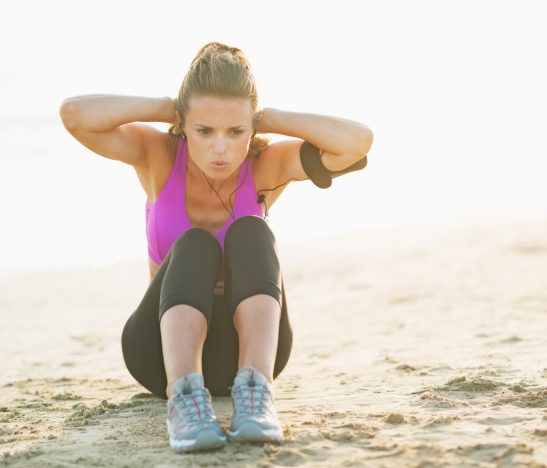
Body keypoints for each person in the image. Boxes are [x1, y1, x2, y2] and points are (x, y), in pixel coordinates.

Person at [59, 41, 373, 452]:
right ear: (184, 126)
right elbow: (75, 116)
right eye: (204, 131)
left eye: (236, 131)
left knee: (252, 232)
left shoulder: (265, 165)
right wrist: (171, 107)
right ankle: (185, 400)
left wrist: (266, 117)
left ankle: (257, 396)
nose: (220, 148)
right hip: (161, 355)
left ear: (251, 129)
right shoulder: (159, 156)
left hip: (247, 356)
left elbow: (357, 142)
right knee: (196, 245)